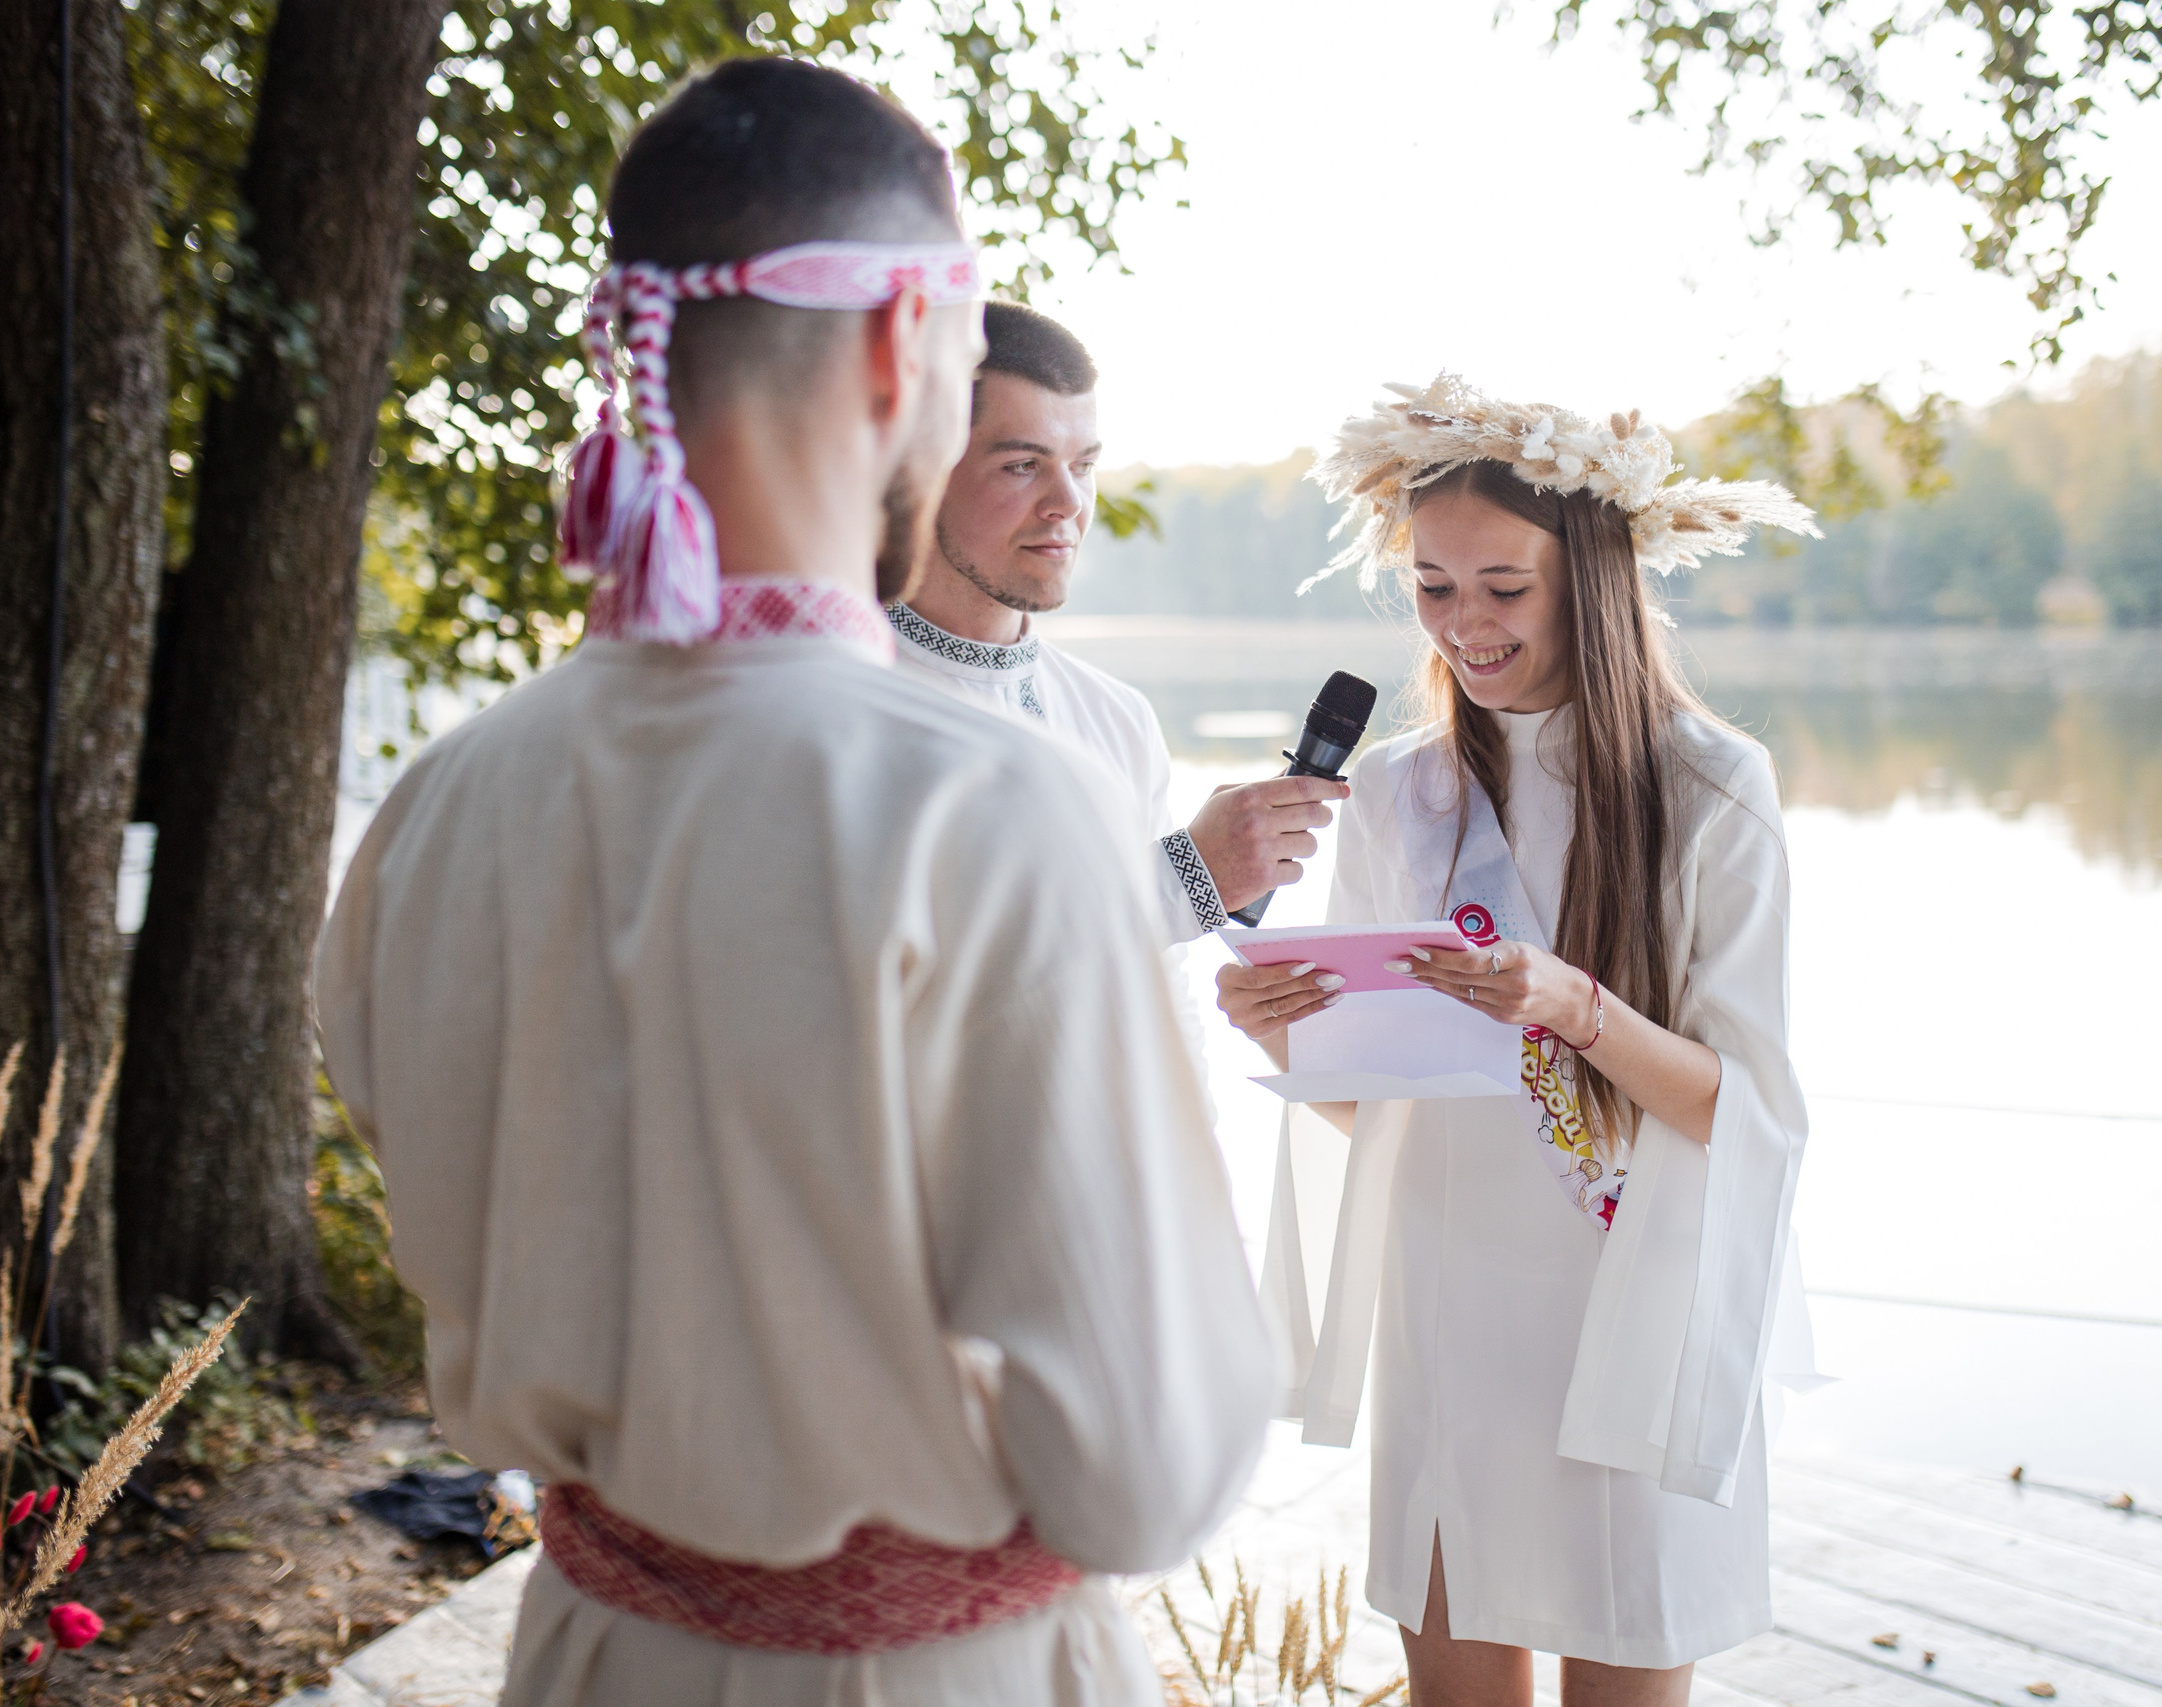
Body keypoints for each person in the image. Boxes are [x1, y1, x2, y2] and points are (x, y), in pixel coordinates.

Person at [315, 59, 1274, 1706]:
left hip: (591, 1654)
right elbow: (1151, 1458)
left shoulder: (439, 805)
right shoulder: (992, 811)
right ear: (908, 341)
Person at [1219, 375, 1823, 1705]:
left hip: (1628, 1302)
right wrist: (1294, 1039)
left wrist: (1572, 1006)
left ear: (1590, 576)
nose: (1466, 625)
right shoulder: (1397, 790)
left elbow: (1748, 1107)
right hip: (1450, 1312)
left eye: (1503, 586)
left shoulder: (1713, 785)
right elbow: (1385, 1108)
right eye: (1435, 588)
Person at [887, 301, 1346, 943]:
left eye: (1083, 465)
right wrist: (1181, 882)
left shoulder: (1117, 717)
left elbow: (1161, 995)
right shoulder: (840, 712)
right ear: (923, 469)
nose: (1069, 503)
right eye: (1023, 465)